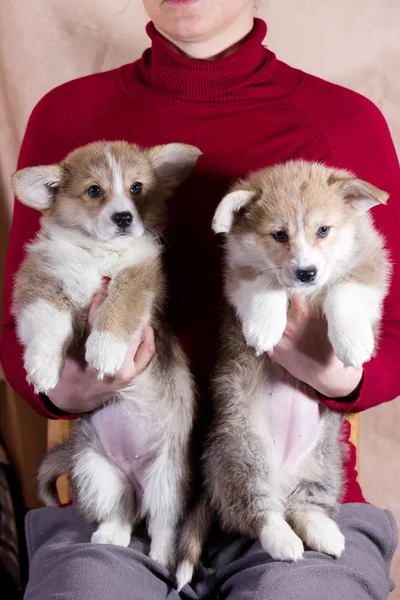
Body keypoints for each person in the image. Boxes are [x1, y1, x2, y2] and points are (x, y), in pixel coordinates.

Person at [1, 1, 398, 598]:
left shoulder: (342, 121)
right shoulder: (68, 114)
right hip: (125, 492)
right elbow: (23, 314)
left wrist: (329, 369)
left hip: (290, 481)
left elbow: (390, 331)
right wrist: (63, 386)